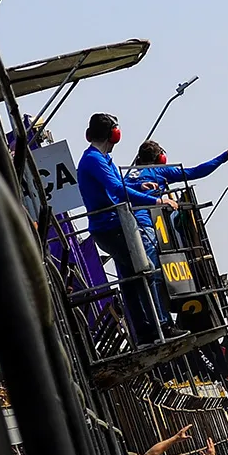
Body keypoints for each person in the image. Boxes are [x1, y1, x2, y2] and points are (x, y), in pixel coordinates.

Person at [76, 113, 188, 345]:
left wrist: (138, 185)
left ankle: (145, 333)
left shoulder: (103, 159)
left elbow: (120, 185)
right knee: (147, 271)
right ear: (114, 135)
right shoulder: (94, 160)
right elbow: (117, 190)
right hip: (110, 228)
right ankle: (163, 326)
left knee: (131, 279)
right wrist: (157, 201)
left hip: (111, 227)